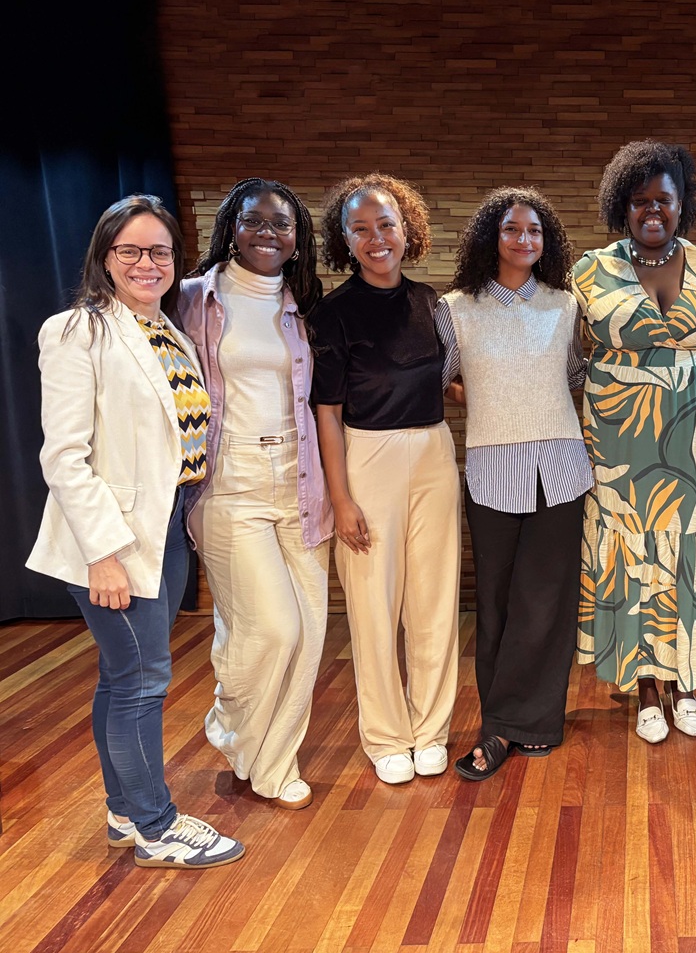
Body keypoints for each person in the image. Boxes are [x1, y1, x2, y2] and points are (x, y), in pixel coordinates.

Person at [27, 194, 244, 868]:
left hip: (165, 526)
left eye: (160, 251)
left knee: (123, 676)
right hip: (113, 540)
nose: (147, 263)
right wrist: (104, 554)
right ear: (104, 256)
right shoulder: (76, 331)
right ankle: (157, 826)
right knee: (143, 681)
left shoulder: (167, 330)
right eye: (131, 250)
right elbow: (64, 457)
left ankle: (125, 812)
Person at [176, 178, 332, 812]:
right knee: (269, 627)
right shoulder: (192, 297)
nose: (268, 232)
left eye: (282, 223)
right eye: (254, 220)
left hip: (301, 478)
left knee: (309, 633)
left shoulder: (306, 302)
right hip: (229, 480)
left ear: (298, 237)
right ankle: (234, 724)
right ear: (231, 227)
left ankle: (274, 763)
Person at [573, 140, 696, 743]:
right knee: (631, 548)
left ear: (682, 202)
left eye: (663, 199)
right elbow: (568, 352)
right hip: (620, 437)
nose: (652, 210)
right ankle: (645, 687)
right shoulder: (590, 271)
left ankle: (685, 683)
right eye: (639, 200)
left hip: (694, 437)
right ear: (622, 204)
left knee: (689, 545)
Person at [434, 187, 591, 781]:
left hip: (561, 466)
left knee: (547, 601)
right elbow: (441, 381)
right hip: (492, 470)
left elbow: (575, 375)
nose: (524, 239)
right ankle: (499, 724)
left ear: (546, 241)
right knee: (497, 602)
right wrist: (481, 395)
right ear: (490, 237)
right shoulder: (456, 308)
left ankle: (531, 724)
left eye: (534, 231)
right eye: (511, 229)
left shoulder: (565, 305)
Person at [310, 173, 460, 786]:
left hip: (434, 452)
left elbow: (451, 381)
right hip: (367, 455)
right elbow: (326, 412)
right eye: (361, 228)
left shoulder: (431, 303)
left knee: (435, 601)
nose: (377, 238)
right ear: (345, 240)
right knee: (374, 605)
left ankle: (431, 730)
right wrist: (340, 498)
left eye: (387, 225)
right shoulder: (333, 313)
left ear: (407, 230)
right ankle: (386, 736)